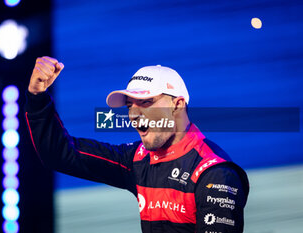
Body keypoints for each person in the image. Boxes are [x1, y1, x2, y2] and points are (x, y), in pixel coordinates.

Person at [25, 56, 249, 233]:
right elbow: (60, 153)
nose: (134, 114)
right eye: (130, 105)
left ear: (177, 105)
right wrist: (37, 96)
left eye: (146, 102)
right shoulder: (138, 159)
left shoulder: (215, 173)